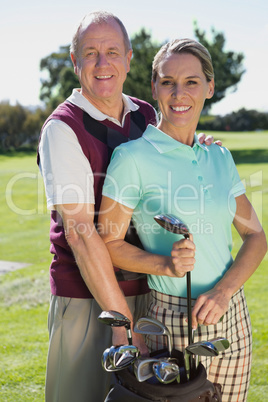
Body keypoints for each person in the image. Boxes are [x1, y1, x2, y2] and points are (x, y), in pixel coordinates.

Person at [38, 11, 218, 401]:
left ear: (130, 59)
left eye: (113, 52)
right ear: (75, 62)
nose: (103, 64)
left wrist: (198, 143)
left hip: (151, 294)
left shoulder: (146, 114)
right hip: (89, 302)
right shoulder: (63, 129)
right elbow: (83, 236)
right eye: (91, 53)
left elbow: (174, 155)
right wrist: (120, 322)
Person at [98, 38, 267, 401]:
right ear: (155, 88)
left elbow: (255, 236)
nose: (179, 93)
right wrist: (164, 263)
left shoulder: (219, 156)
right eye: (168, 81)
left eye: (191, 81)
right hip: (173, 323)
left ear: (209, 88)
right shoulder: (131, 159)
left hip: (233, 316)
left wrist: (224, 292)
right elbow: (107, 244)